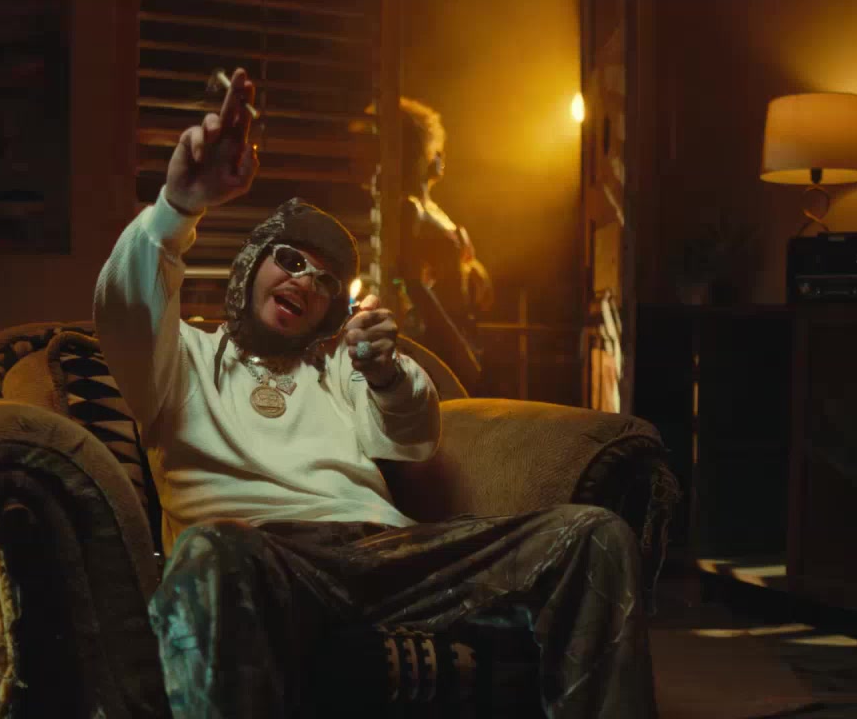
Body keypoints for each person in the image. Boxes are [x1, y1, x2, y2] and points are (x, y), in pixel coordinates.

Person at [94, 68, 656, 719]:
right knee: (212, 552)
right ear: (251, 266)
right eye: (291, 260)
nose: (305, 281)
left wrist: (385, 373)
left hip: (390, 556)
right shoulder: (178, 356)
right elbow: (125, 306)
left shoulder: (339, 365)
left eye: (325, 281)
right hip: (264, 560)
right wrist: (178, 205)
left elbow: (411, 438)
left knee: (593, 535)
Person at [394, 97, 494, 389]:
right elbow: (413, 283)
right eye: (437, 149)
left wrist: (473, 269)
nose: (443, 156)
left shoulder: (433, 208)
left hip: (459, 327)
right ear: (419, 151)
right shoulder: (411, 208)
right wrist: (456, 344)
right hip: (437, 337)